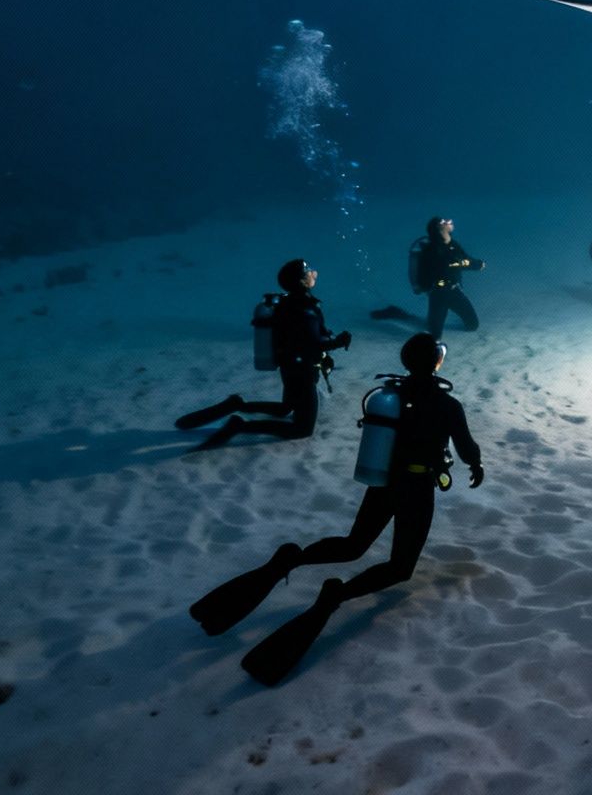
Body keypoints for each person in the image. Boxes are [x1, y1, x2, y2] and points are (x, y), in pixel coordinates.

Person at [186, 333, 486, 685]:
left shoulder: (390, 396)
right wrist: (476, 465)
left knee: (352, 545)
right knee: (400, 567)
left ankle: (289, 560)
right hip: (416, 489)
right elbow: (465, 446)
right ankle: (336, 595)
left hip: (383, 483)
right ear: (436, 362)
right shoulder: (447, 405)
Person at [177, 258, 349, 450]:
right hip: (302, 371)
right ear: (301, 280)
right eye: (309, 271)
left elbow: (303, 337)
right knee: (302, 429)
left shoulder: (288, 302)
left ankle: (238, 405)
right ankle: (240, 426)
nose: (313, 273)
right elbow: (311, 343)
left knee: (286, 408)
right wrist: (338, 343)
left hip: (289, 366)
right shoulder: (305, 308)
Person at [416, 216, 487, 337]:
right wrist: (471, 264)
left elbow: (465, 258)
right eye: (443, 222)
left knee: (473, 325)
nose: (448, 222)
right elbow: (451, 265)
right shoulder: (430, 250)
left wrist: (477, 264)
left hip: (454, 291)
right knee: (435, 335)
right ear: (438, 229)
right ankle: (428, 321)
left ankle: (434, 320)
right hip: (438, 294)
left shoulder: (453, 244)